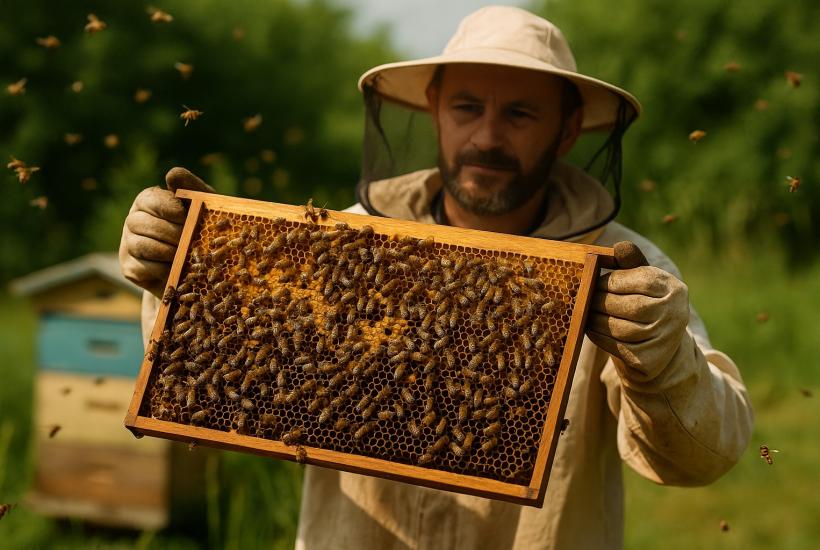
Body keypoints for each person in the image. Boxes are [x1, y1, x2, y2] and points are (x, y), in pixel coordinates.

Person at [120, 6, 753, 549]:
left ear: (565, 132)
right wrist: (184, 280)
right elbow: (222, 388)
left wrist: (663, 359)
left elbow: (704, 455)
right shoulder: (342, 244)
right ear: (434, 111)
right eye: (467, 108)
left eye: (520, 114)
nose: (487, 137)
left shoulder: (623, 272)